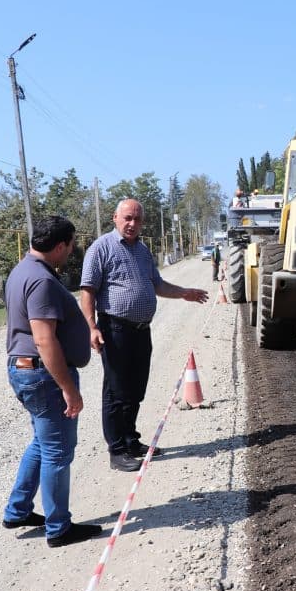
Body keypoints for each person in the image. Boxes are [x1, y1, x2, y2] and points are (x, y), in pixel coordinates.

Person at [80, 199, 209, 472]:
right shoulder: (101, 248)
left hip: (141, 331)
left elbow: (157, 284)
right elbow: (88, 291)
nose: (132, 224)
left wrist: (184, 293)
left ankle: (130, 440)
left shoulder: (142, 250)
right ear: (115, 217)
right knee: (116, 392)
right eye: (127, 218)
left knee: (136, 389)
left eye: (137, 219)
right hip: (115, 329)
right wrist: (92, 327)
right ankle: (116, 451)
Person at [3, 215, 102, 548]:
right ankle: (59, 527)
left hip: (26, 369)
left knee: (42, 443)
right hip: (43, 374)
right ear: (60, 245)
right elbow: (45, 340)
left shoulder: (22, 270)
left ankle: (17, 510)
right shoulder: (41, 281)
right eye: (71, 245)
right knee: (58, 452)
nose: (72, 251)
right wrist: (69, 389)